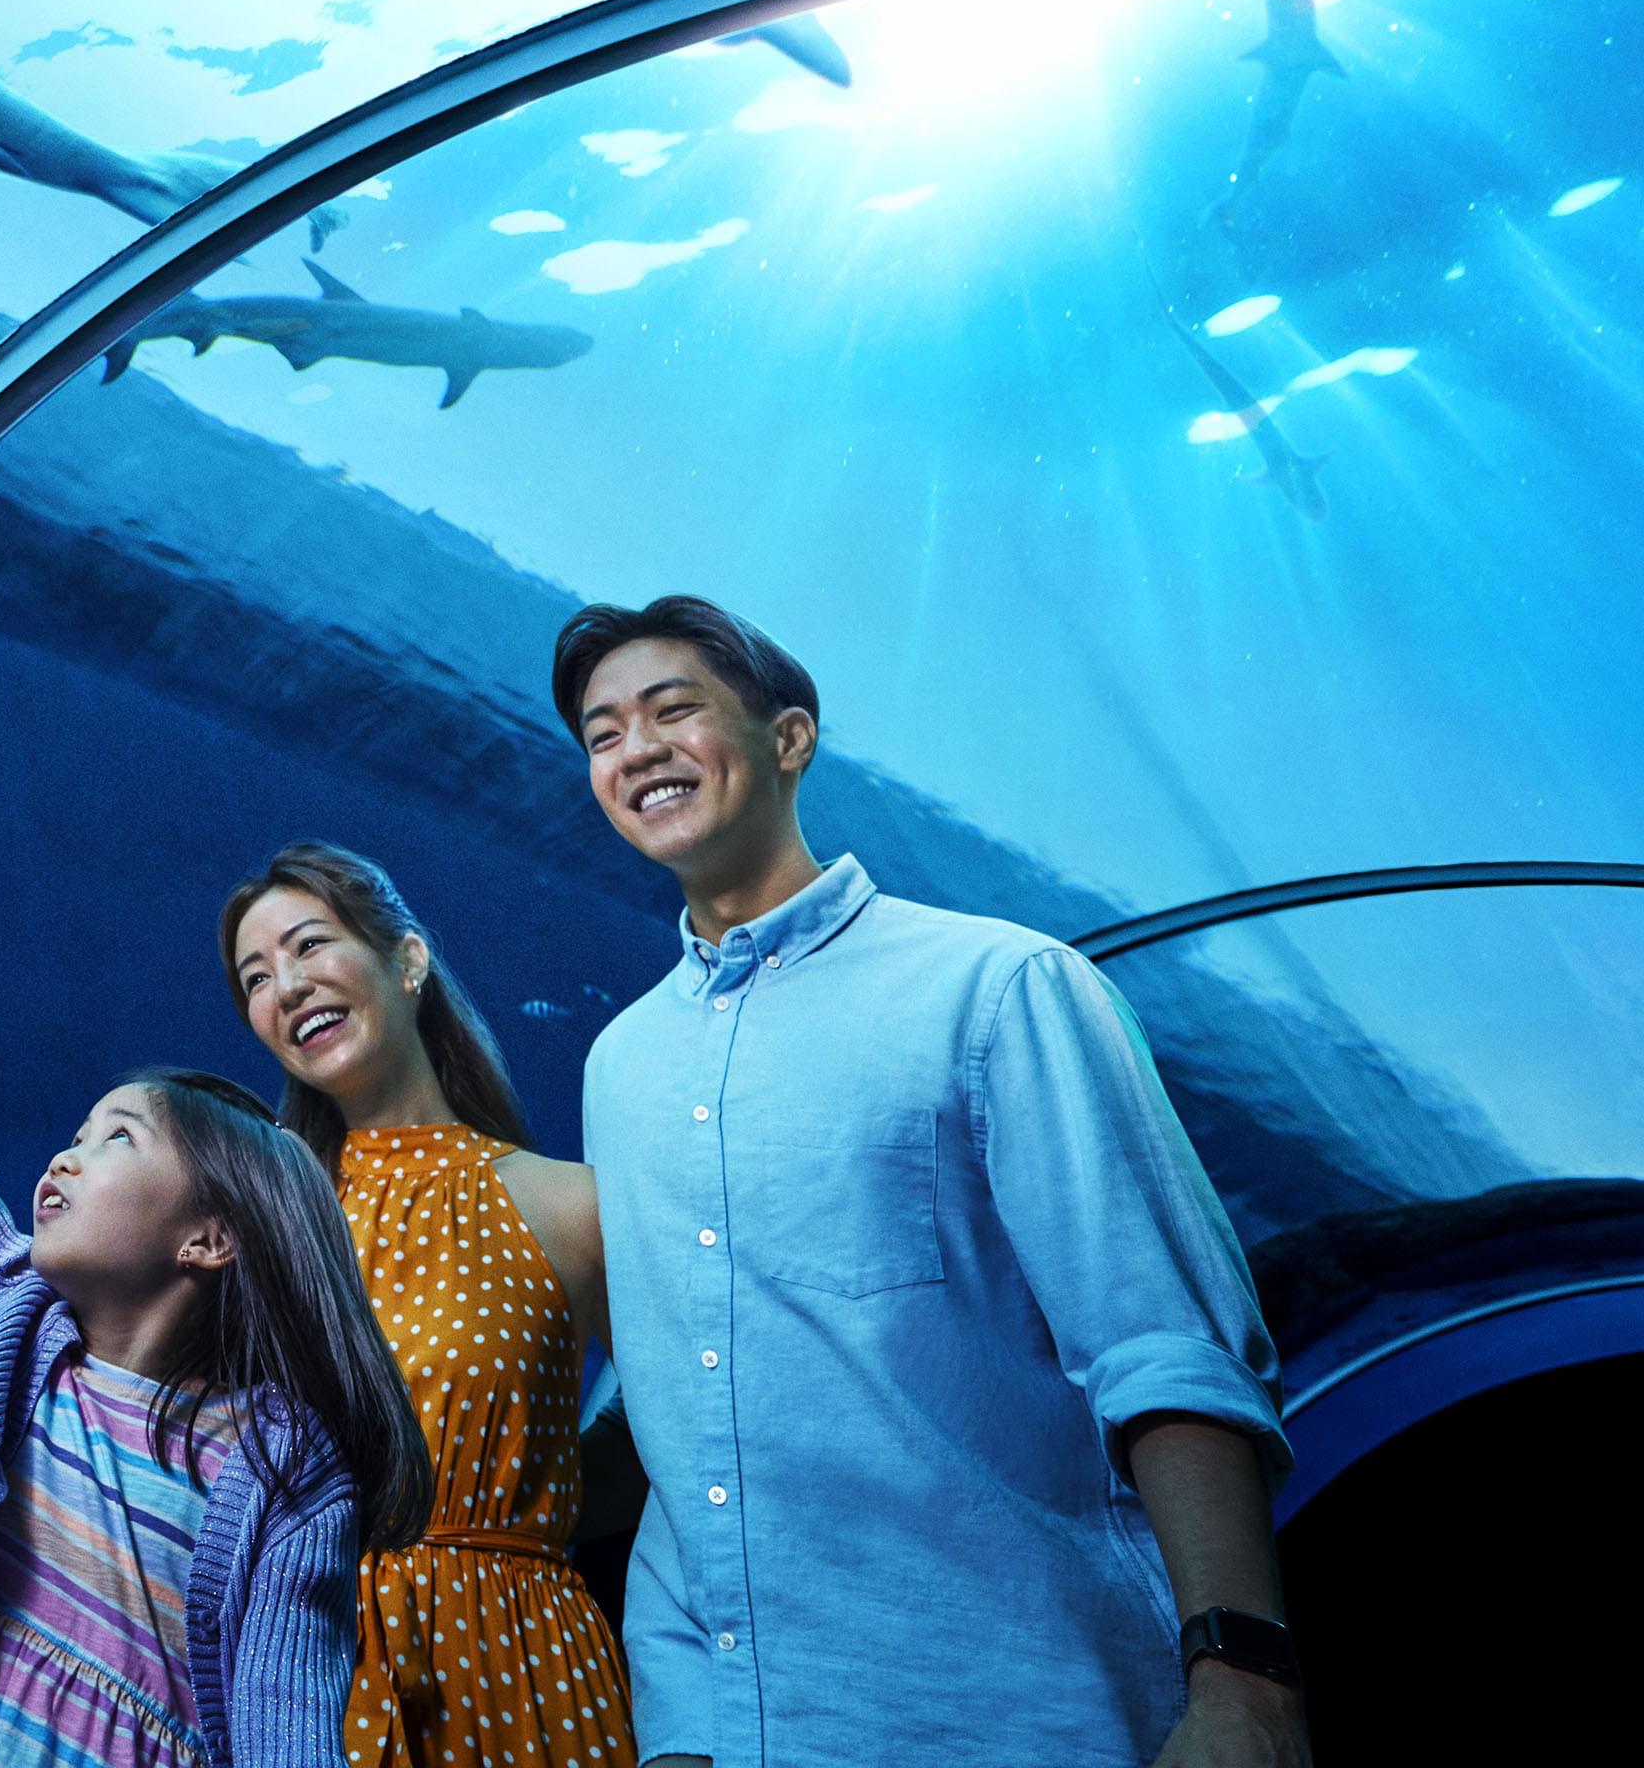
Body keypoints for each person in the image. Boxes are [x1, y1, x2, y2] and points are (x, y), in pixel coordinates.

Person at [558, 596, 1306, 1768]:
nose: (635, 749)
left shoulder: (999, 987)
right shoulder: (620, 1067)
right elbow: (683, 1427)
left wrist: (1246, 1691)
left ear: (790, 737)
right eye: (602, 734)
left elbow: (1163, 1346)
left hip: (1026, 1712)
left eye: (672, 710)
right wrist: (684, 1731)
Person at [0, 711, 434, 1768]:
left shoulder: (287, 1473)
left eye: (114, 1139)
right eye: (72, 1135)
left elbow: (289, 1729)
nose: (61, 1159)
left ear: (208, 1236)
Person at [224, 845, 632, 1768]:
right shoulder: (266, 1224)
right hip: (305, 1676)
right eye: (256, 978)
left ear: (408, 961)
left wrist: (532, 1511)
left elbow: (688, 1429)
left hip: (527, 1669)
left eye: (309, 946)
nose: (285, 987)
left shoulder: (568, 1202)